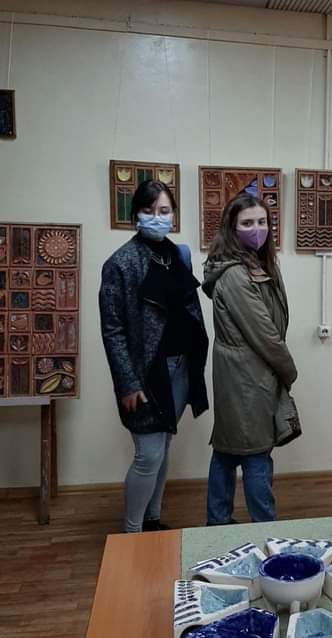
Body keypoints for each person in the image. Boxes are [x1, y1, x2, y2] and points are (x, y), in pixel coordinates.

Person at [99, 180, 209, 532]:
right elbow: (113, 330)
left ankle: (152, 521)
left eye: (164, 211)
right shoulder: (120, 263)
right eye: (149, 211)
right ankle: (132, 533)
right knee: (147, 455)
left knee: (163, 447)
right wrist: (128, 383)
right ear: (136, 215)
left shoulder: (179, 255)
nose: (157, 217)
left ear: (174, 215)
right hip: (146, 375)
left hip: (180, 368)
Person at [203, 192, 298, 525]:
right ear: (231, 228)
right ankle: (263, 530)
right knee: (255, 454)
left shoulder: (257, 263)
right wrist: (289, 371)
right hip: (247, 377)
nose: (256, 229)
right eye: (247, 223)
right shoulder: (235, 275)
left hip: (245, 373)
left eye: (261, 221)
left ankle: (217, 524)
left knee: (229, 450)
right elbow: (266, 335)